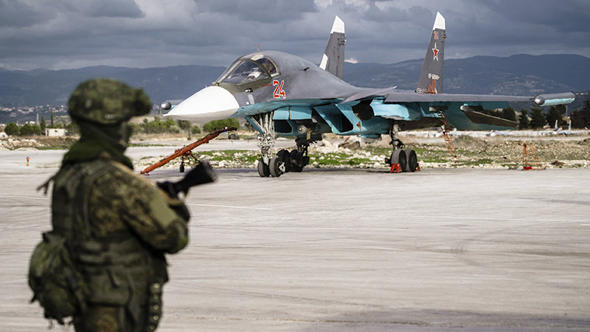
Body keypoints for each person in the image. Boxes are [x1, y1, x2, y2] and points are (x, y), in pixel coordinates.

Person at [53, 78, 190, 331]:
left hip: (85, 300)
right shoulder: (117, 181)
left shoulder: (68, 174)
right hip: (119, 309)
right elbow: (174, 237)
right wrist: (173, 204)